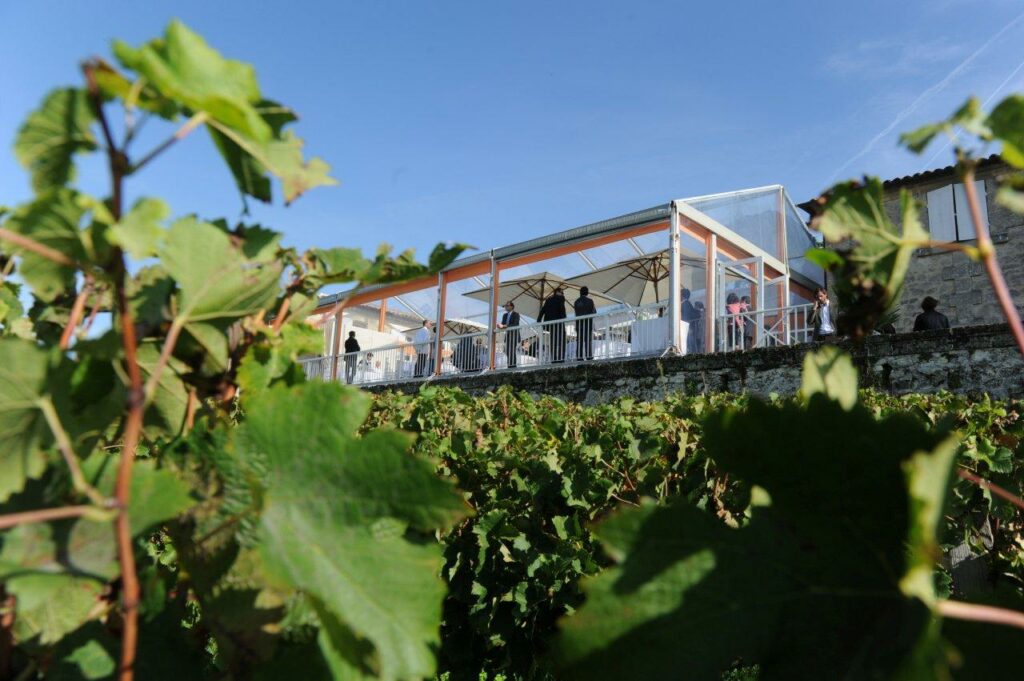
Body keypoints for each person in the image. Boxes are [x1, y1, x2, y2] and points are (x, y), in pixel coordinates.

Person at [537, 287, 567, 363]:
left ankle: (554, 358)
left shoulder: (548, 299)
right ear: (558, 292)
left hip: (550, 324)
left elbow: (543, 310)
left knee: (553, 341)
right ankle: (561, 358)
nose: (562, 294)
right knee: (561, 340)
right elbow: (562, 309)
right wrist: (565, 318)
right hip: (559, 323)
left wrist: (539, 320)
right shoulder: (561, 298)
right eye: (562, 292)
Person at [573, 286, 597, 360]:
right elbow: (594, 312)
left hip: (579, 325)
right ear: (587, 292)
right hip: (587, 324)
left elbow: (576, 313)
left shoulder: (576, 302)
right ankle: (588, 356)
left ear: (580, 292)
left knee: (579, 341)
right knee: (588, 341)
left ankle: (579, 357)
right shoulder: (590, 301)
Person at [497, 301, 521, 368]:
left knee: (512, 350)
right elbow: (503, 325)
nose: (506, 307)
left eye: (507, 305)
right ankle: (509, 365)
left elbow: (515, 324)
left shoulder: (516, 314)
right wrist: (500, 326)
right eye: (505, 306)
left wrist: (504, 326)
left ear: (512, 306)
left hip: (514, 335)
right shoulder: (504, 315)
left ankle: (513, 365)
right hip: (507, 335)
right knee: (507, 350)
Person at [680, 288, 700, 354]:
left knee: (690, 343)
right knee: (689, 343)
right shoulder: (686, 304)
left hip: (687, 327)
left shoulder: (686, 304)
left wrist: (690, 327)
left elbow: (687, 316)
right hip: (687, 327)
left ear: (682, 295)